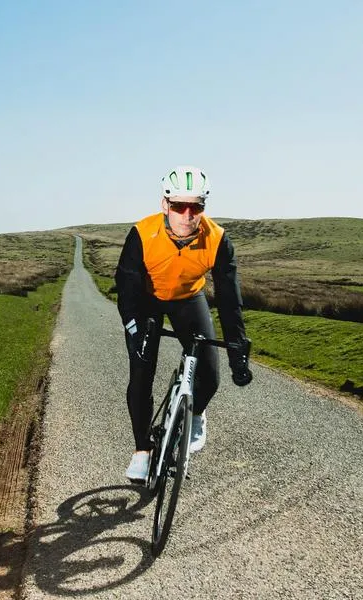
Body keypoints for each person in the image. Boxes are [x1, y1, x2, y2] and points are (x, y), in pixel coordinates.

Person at [115, 165, 253, 482]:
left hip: (188, 300)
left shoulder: (217, 240)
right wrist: (135, 332)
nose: (187, 215)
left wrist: (237, 354)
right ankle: (142, 451)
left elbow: (230, 301)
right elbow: (127, 287)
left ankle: (195, 414)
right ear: (165, 205)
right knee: (141, 373)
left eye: (196, 207)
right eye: (179, 206)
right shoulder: (142, 233)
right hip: (147, 300)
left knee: (211, 375)